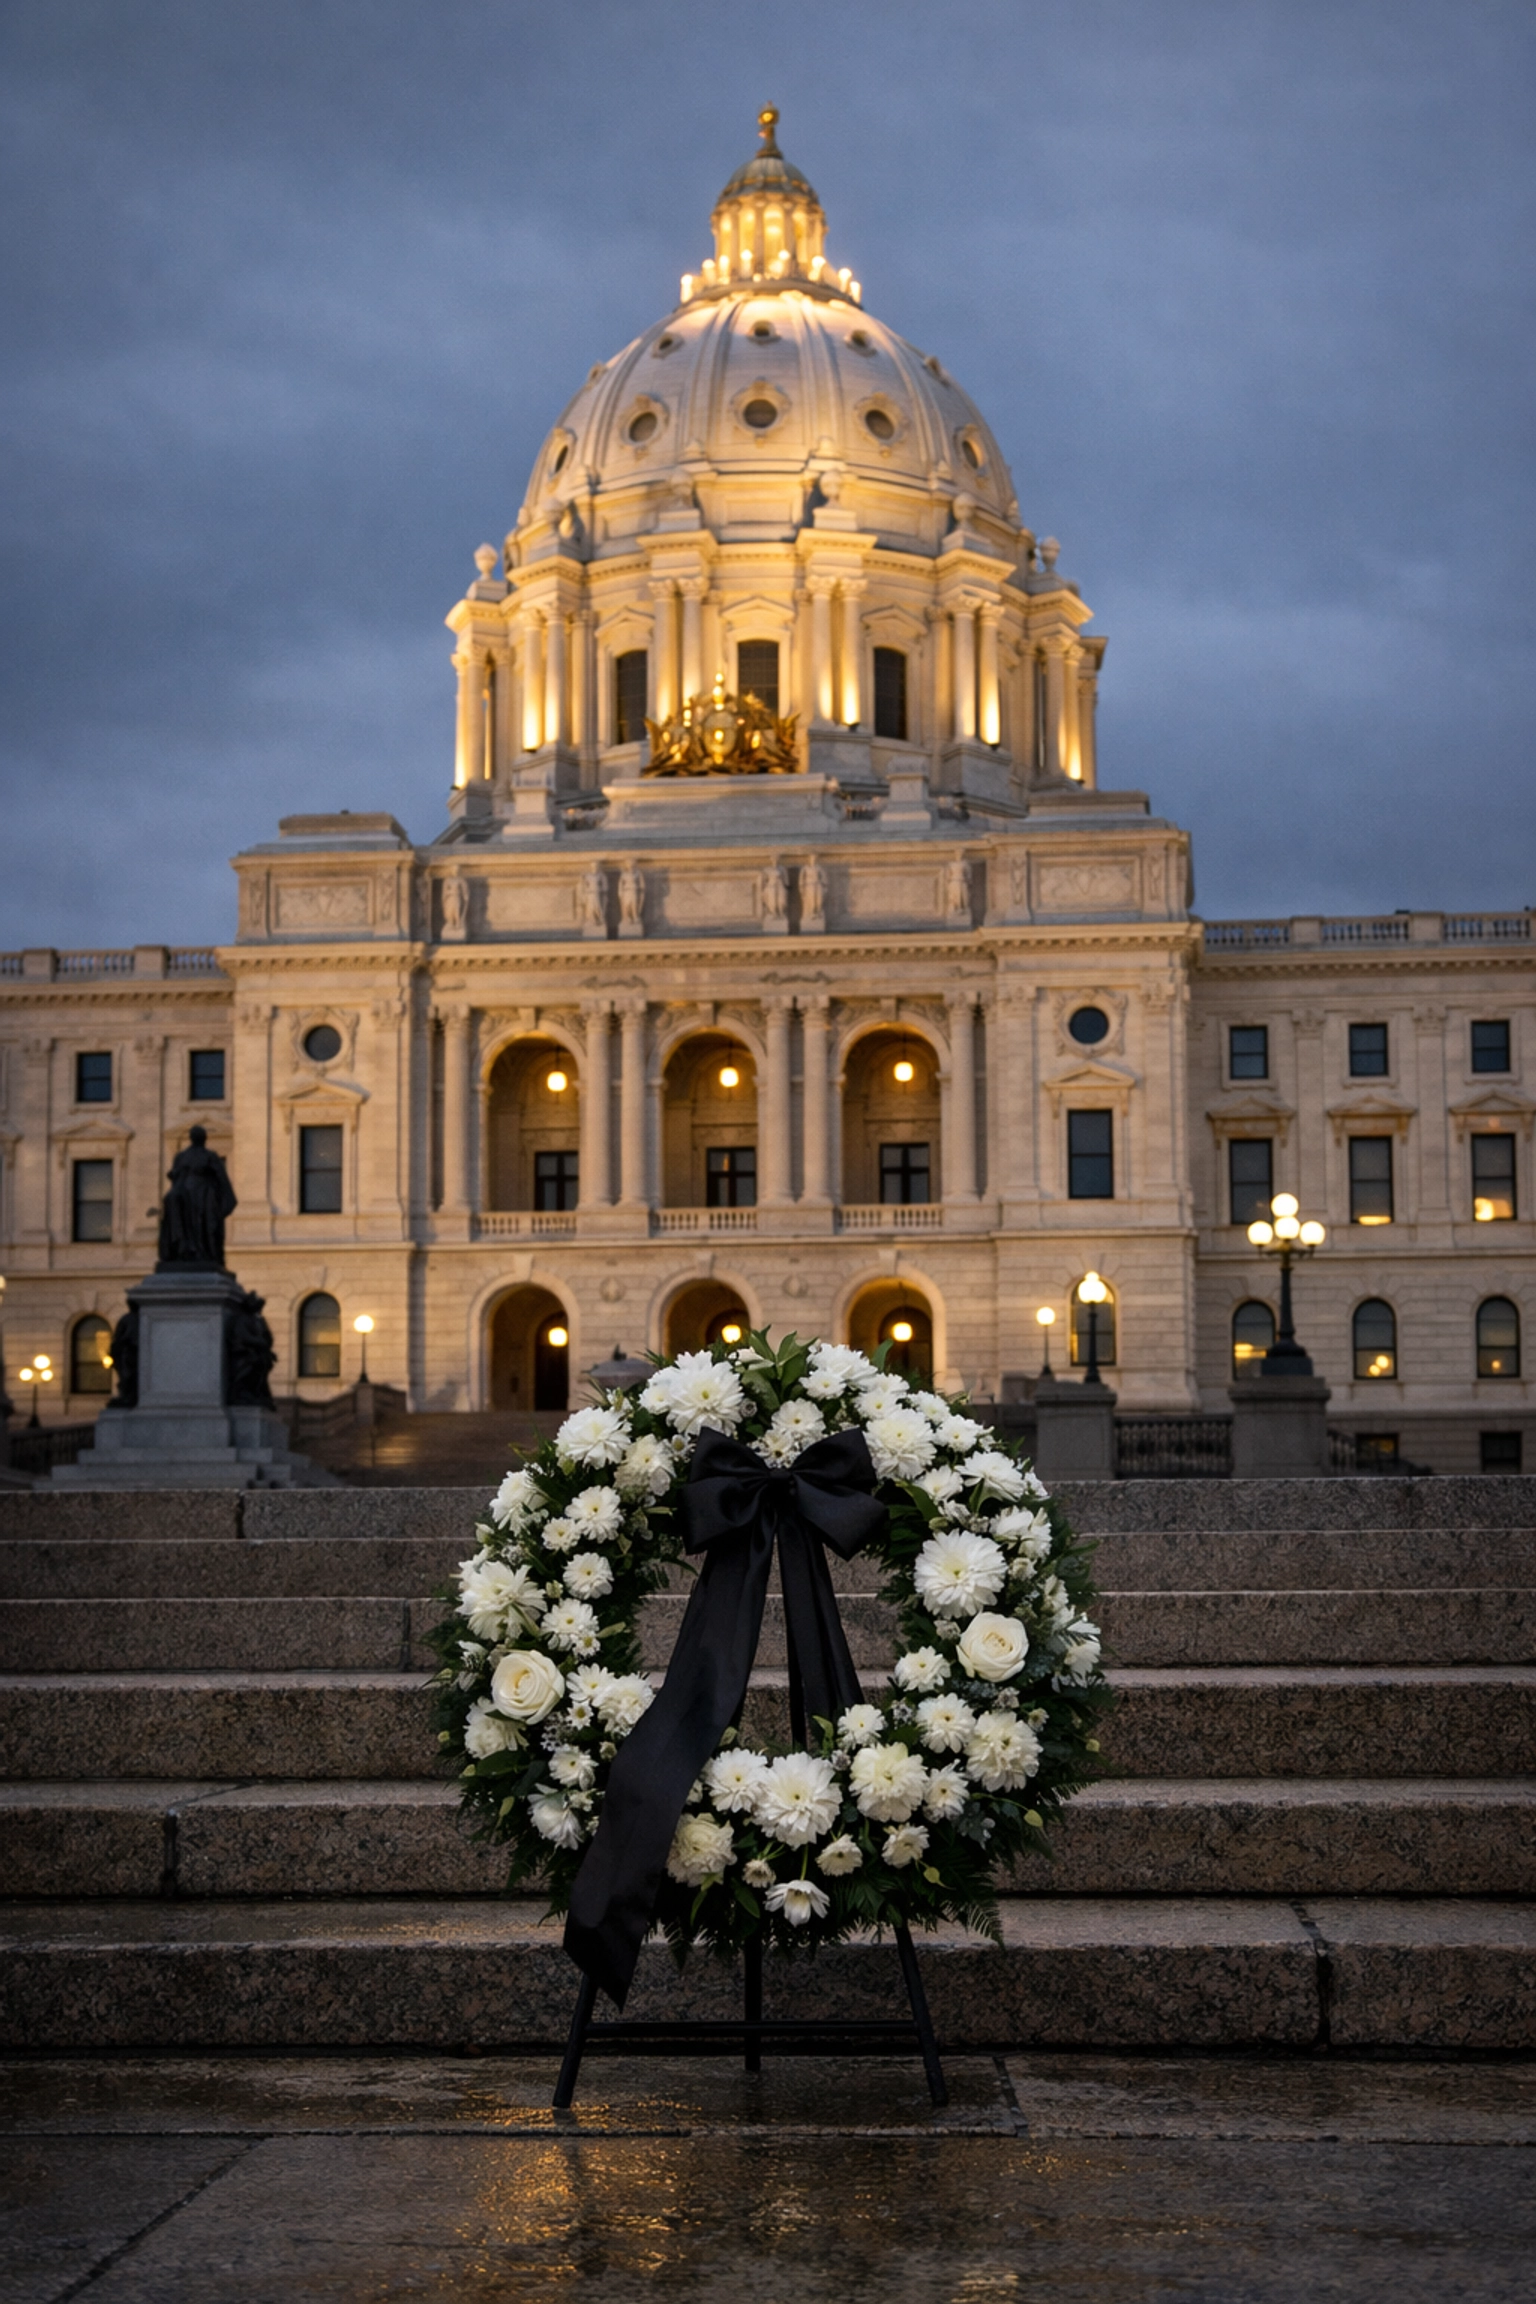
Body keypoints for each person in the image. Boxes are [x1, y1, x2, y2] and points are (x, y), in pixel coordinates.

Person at [156, 1126, 237, 1270]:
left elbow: (221, 1179)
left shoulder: (208, 1156)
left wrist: (225, 1203)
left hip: (204, 1195)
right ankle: (181, 1247)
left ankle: (197, 1250)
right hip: (185, 1194)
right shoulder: (183, 1156)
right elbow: (175, 1176)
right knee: (171, 1199)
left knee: (198, 1209)